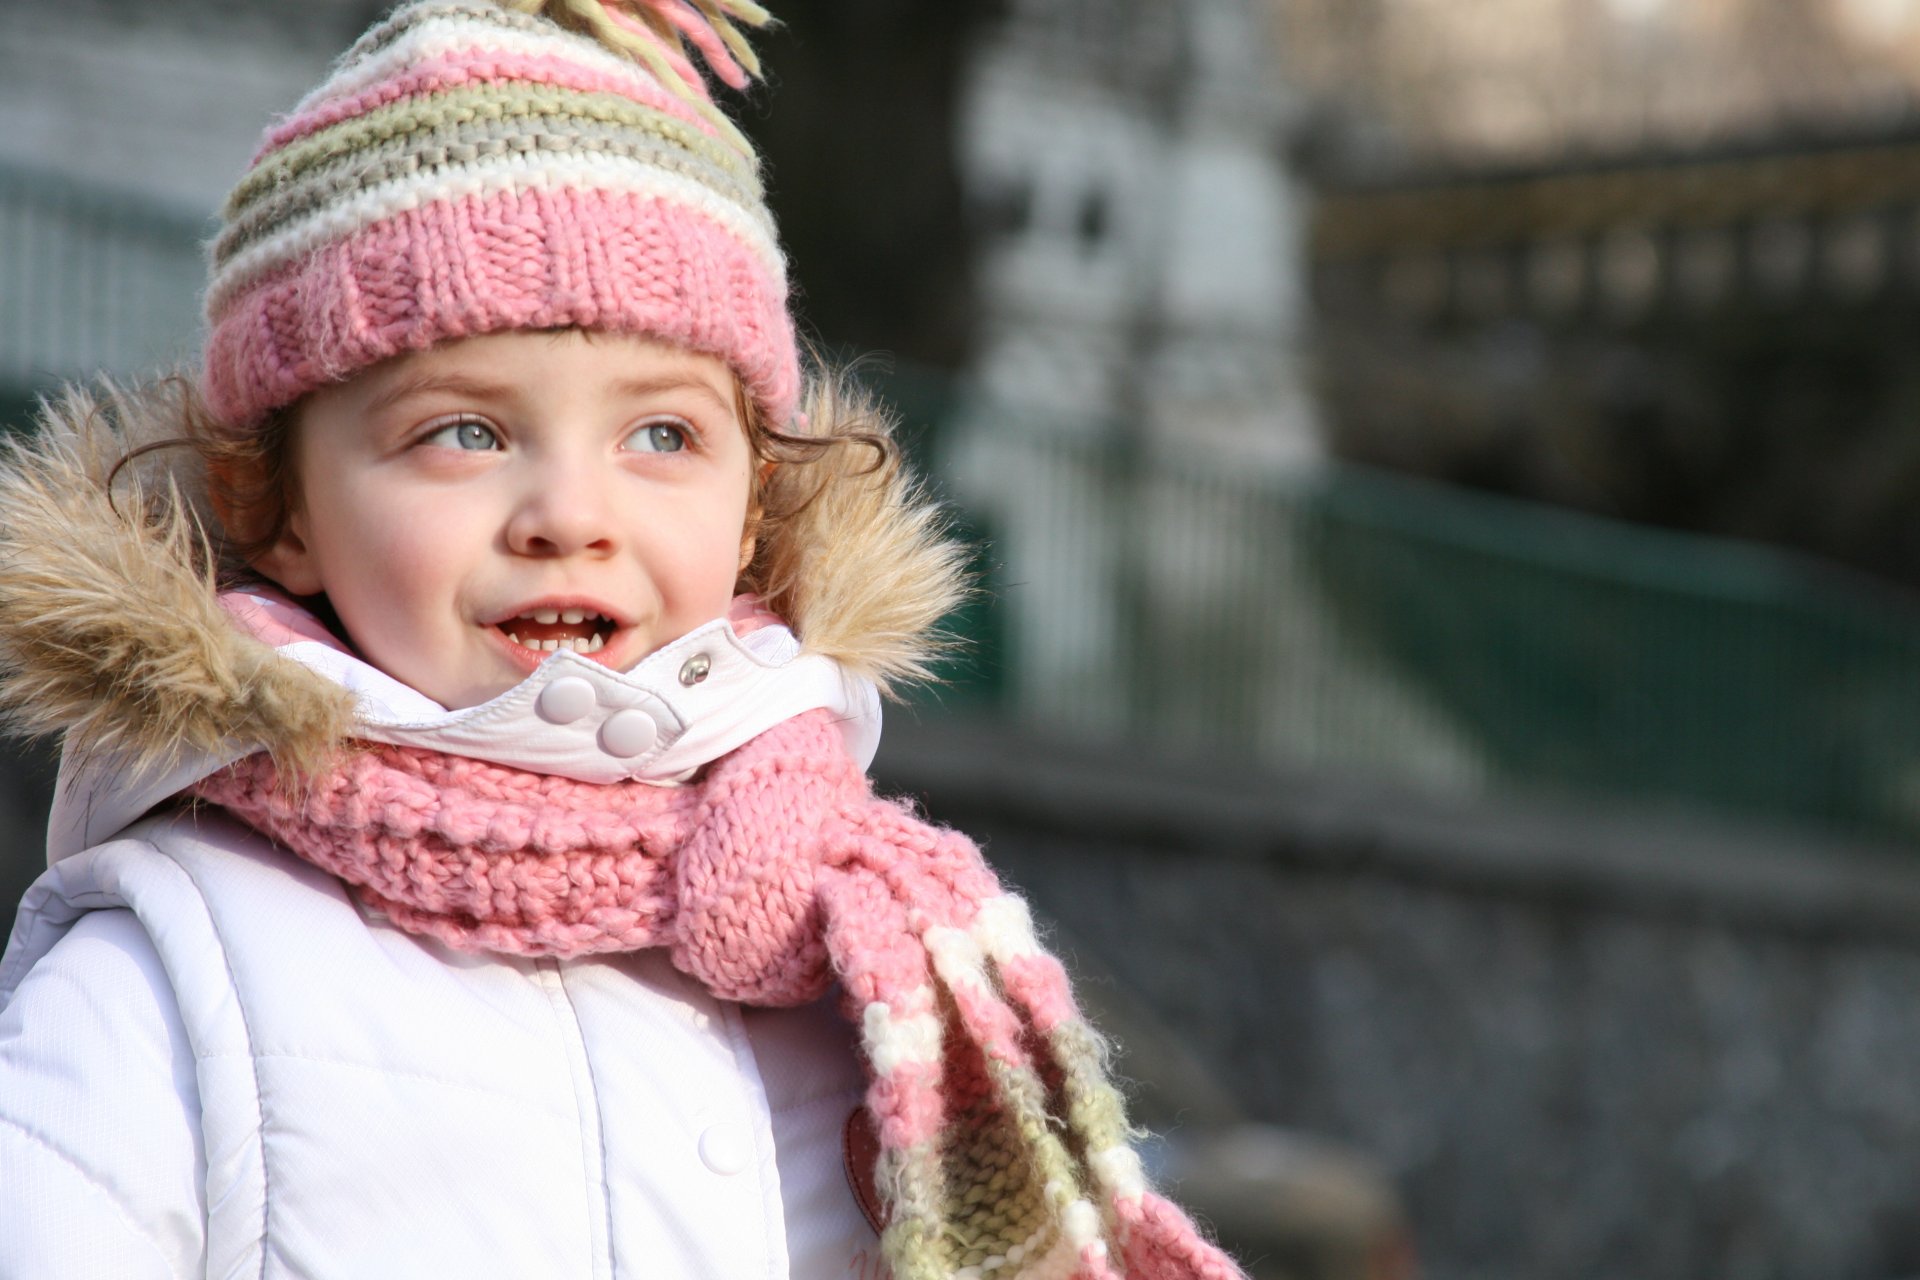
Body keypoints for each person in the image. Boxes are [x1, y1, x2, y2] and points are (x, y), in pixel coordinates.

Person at [0, 2, 1244, 1277]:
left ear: (754, 498)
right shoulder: (173, 973)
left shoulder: (859, 955)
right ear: (284, 510)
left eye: (661, 436)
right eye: (464, 432)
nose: (571, 516)